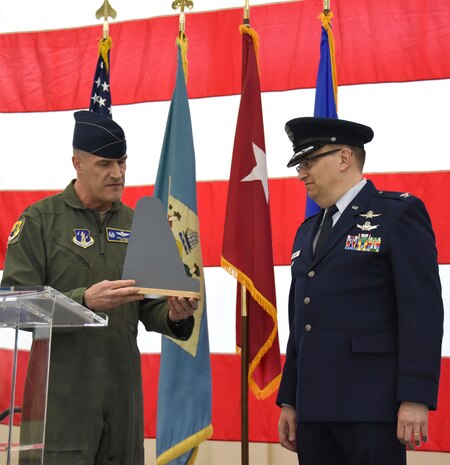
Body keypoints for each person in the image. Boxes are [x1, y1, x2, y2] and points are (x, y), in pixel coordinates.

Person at [1, 110, 198, 465]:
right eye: (106, 163)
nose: (118, 174)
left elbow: (147, 302)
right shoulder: (40, 221)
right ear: (77, 162)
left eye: (122, 162)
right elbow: (15, 304)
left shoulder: (137, 224)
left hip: (122, 401)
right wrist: (84, 300)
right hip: (62, 403)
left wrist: (173, 314)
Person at [276, 117, 444, 465]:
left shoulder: (397, 214)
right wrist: (290, 400)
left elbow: (422, 313)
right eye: (299, 165)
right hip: (315, 408)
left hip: (372, 406)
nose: (301, 173)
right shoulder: (307, 231)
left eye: (309, 161)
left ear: (344, 158)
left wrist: (415, 397)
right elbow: (301, 321)